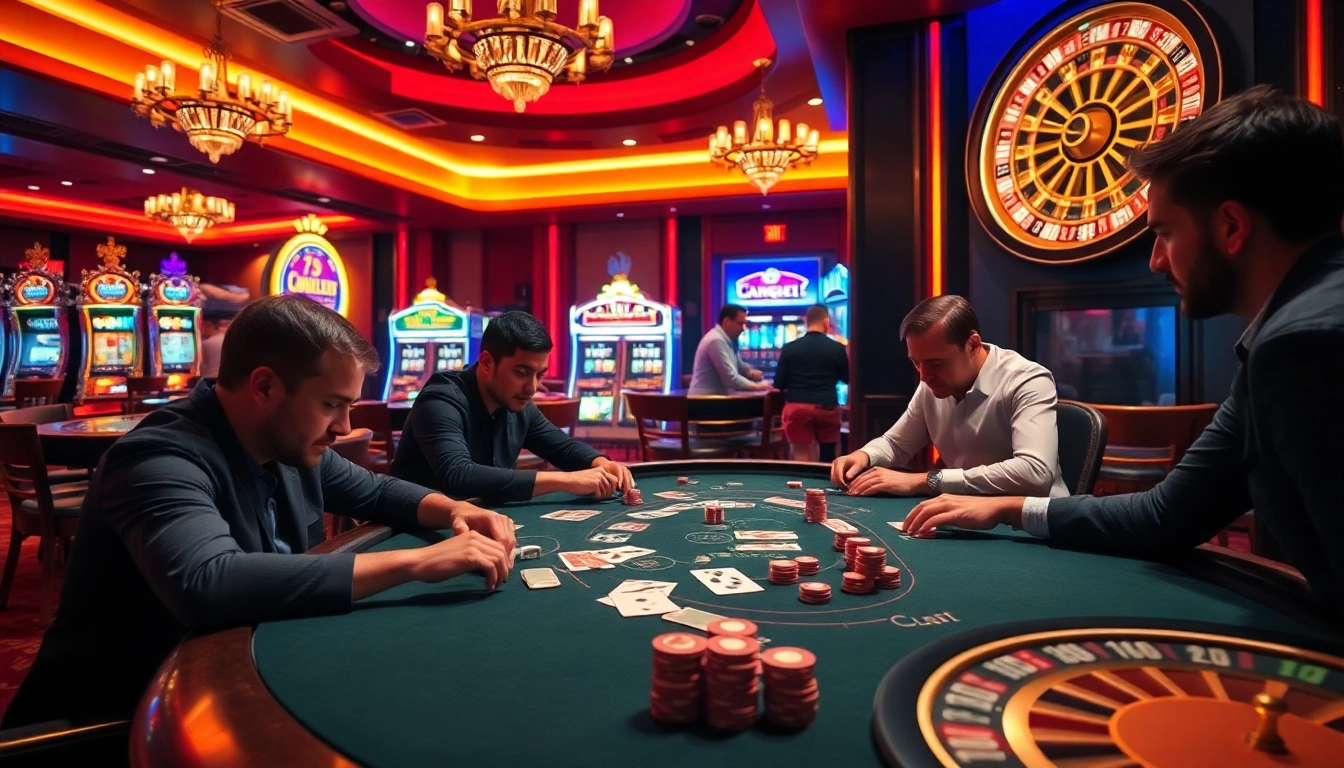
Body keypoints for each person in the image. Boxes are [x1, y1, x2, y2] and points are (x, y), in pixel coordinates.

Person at [901, 86, 1344, 622]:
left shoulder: (1303, 344)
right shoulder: (1279, 337)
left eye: (1163, 232)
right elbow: (1166, 514)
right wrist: (1009, 508)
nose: (1156, 260)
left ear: (1231, 227)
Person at [2, 295, 517, 728]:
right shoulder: (157, 457)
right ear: (265, 386)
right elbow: (209, 582)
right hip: (118, 719)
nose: (344, 427)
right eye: (331, 404)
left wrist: (456, 510)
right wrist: (419, 564)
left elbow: (377, 492)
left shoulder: (288, 444)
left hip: (223, 684)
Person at [832, 295, 1067, 498]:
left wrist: (925, 481)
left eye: (936, 363)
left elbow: (1035, 472)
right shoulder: (932, 384)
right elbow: (896, 444)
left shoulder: (1027, 380)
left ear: (973, 345)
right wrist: (863, 455)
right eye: (916, 362)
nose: (924, 376)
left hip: (1034, 528)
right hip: (966, 512)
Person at [391, 311, 634, 503]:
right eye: (521, 372)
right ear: (487, 362)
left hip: (471, 523)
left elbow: (563, 447)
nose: (532, 387)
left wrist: (599, 462)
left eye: (539, 375)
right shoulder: (441, 400)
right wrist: (566, 481)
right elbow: (458, 475)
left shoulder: (516, 403)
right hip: (407, 534)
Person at [773, 305, 849, 462]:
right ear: (826, 321)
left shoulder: (789, 348)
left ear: (807, 322)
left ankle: (803, 484)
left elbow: (779, 383)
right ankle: (827, 484)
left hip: (797, 407)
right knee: (829, 455)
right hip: (827, 406)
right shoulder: (837, 348)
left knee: (801, 456)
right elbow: (846, 378)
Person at [688, 304, 773, 395]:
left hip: (715, 400)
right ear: (727, 321)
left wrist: (751, 374)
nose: (743, 329)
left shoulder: (729, 340)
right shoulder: (716, 340)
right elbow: (730, 378)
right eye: (740, 324)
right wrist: (758, 387)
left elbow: (740, 367)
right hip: (704, 402)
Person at [198, 308, 235, 379]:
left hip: (208, 379)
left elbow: (199, 366)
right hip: (224, 379)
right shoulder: (226, 339)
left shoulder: (206, 344)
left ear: (207, 324)